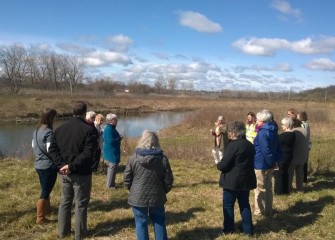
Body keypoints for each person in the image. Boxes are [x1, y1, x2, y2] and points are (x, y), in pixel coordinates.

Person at [49, 101, 97, 240]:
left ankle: (63, 232)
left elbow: (52, 149)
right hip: (81, 173)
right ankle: (80, 234)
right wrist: (68, 166)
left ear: (73, 111)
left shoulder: (60, 129)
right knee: (80, 204)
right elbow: (88, 153)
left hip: (65, 172)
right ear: (84, 112)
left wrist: (62, 165)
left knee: (65, 202)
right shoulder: (88, 130)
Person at [124, 130, 174, 240]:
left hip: (138, 195)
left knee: (140, 221)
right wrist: (163, 190)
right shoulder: (162, 159)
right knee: (159, 220)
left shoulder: (133, 158)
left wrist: (132, 190)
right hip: (157, 195)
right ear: (156, 142)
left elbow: (127, 179)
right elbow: (168, 180)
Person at [217, 121, 256, 236]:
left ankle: (228, 230)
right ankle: (248, 231)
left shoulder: (232, 146)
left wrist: (218, 165)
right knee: (244, 204)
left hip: (232, 182)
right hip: (246, 180)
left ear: (234, 133)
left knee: (228, 206)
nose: (230, 135)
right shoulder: (249, 145)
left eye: (230, 133)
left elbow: (224, 165)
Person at [253, 109, 282, 217]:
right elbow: (279, 148)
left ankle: (259, 211)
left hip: (261, 164)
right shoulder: (274, 131)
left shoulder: (262, 133)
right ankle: (268, 211)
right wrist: (276, 161)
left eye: (258, 119)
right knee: (268, 187)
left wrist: (271, 163)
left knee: (259, 188)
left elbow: (266, 150)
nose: (256, 121)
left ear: (262, 121)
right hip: (271, 163)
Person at [32, 108, 58, 224]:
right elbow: (50, 150)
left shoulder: (36, 130)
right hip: (48, 166)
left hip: (39, 164)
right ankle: (40, 218)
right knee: (45, 192)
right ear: (50, 118)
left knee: (45, 189)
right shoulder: (49, 132)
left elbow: (34, 146)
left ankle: (47, 210)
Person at [274, 117, 295, 195]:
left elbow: (276, 143)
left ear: (287, 125)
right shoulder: (293, 134)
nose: (281, 126)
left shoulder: (285, 135)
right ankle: (285, 190)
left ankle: (278, 192)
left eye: (283, 124)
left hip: (282, 157)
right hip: (288, 156)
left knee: (278, 174)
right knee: (285, 173)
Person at [103, 113, 122, 189]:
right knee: (112, 168)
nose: (117, 121)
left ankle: (112, 183)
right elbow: (109, 141)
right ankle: (109, 186)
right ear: (111, 120)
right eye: (115, 119)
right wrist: (119, 138)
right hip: (111, 152)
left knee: (113, 168)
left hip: (113, 151)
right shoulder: (108, 129)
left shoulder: (112, 127)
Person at [289, 120, 309, 192]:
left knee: (290, 172)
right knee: (300, 173)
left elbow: (293, 143)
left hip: (295, 154)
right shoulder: (304, 130)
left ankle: (289, 189)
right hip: (303, 154)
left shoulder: (294, 131)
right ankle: (300, 189)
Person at [297, 111, 311, 183]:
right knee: (305, 162)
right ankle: (304, 178)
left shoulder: (303, 125)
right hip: (306, 145)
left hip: (303, 145)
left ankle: (303, 179)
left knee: (303, 163)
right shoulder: (307, 124)